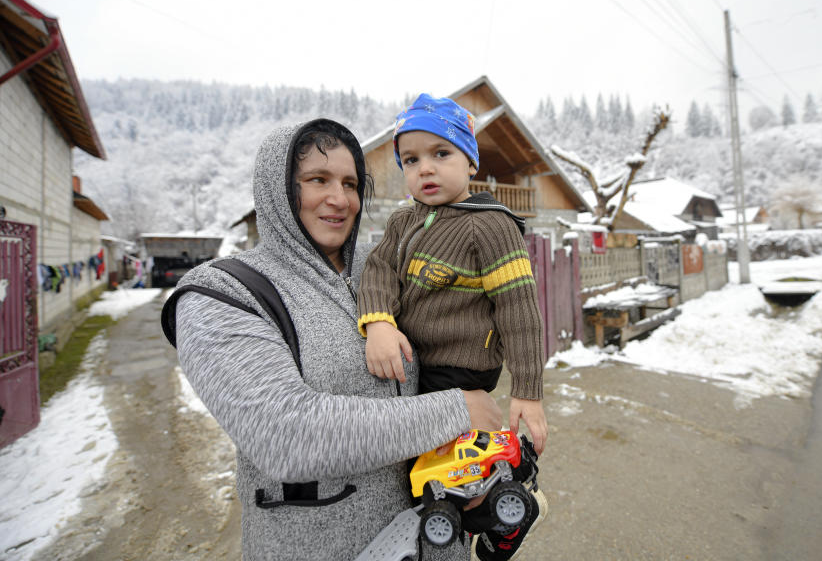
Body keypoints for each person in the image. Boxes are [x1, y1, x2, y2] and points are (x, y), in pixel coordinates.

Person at [161, 118, 500, 560]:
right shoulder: (221, 294)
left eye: (350, 183)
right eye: (317, 180)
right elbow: (283, 433)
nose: (339, 200)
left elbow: (449, 349)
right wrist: (455, 411)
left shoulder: (385, 268)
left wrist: (467, 465)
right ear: (276, 189)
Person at [357, 94, 547, 559]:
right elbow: (378, 271)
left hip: (460, 368)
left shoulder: (490, 226)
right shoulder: (404, 221)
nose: (425, 168)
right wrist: (379, 322)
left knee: (444, 472)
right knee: (427, 470)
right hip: (417, 366)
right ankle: (484, 513)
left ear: (469, 159)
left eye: (441, 154)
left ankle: (504, 518)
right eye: (411, 159)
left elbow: (518, 310)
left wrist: (528, 390)